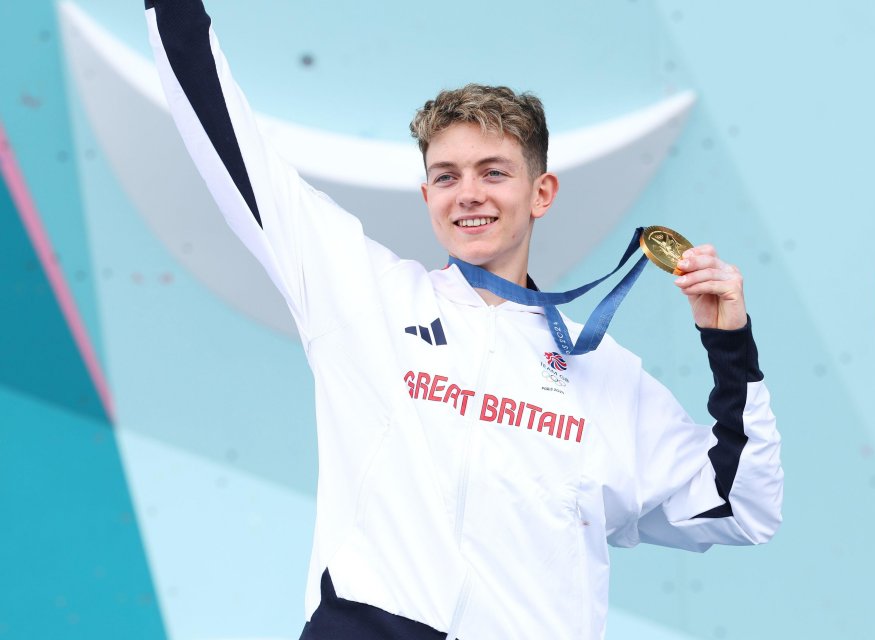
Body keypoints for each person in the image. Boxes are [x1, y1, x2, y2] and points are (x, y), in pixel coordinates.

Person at [145, 1, 783, 638]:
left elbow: (741, 504)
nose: (468, 193)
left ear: (542, 194)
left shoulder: (608, 377)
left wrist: (730, 345)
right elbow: (227, 137)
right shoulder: (364, 295)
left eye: (494, 172)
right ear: (427, 196)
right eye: (445, 176)